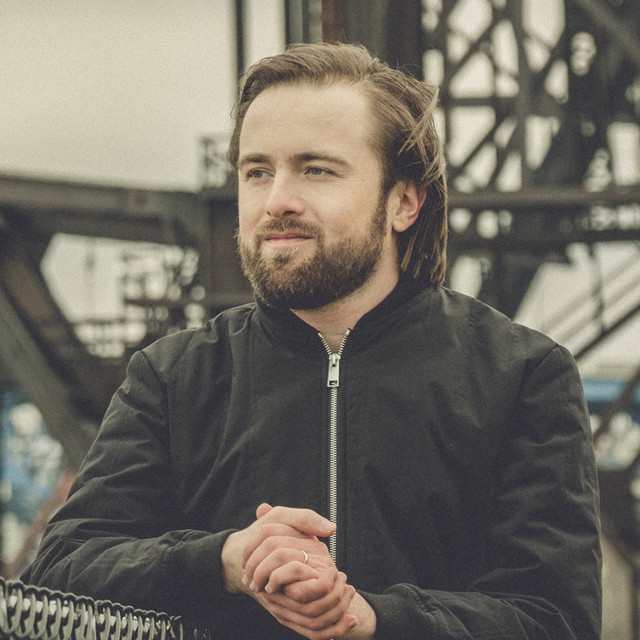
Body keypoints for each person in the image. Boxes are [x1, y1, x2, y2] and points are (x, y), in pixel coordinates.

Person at [23, 42, 602, 640]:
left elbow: (556, 619)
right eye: (257, 172)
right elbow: (60, 575)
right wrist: (226, 559)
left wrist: (374, 621)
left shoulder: (523, 376)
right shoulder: (172, 377)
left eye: (316, 169)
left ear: (404, 201)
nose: (277, 201)